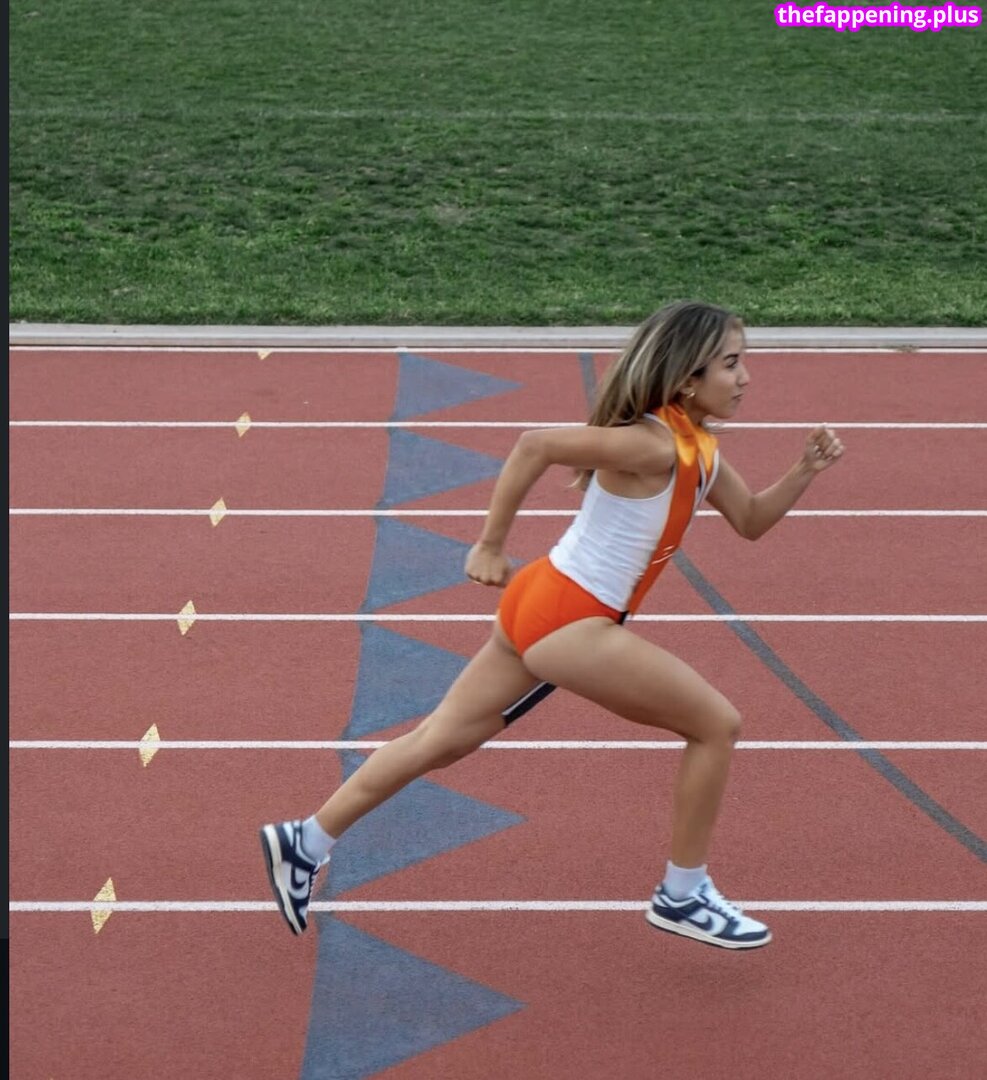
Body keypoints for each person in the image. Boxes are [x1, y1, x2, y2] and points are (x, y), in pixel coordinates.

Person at [260, 300, 844, 949]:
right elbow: (533, 444)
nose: (745, 378)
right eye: (731, 364)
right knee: (716, 724)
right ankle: (682, 895)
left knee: (439, 741)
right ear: (687, 379)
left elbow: (751, 521)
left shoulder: (695, 448)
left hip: (542, 600)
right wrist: (489, 544)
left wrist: (804, 471)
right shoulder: (650, 444)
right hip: (570, 616)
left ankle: (306, 840)